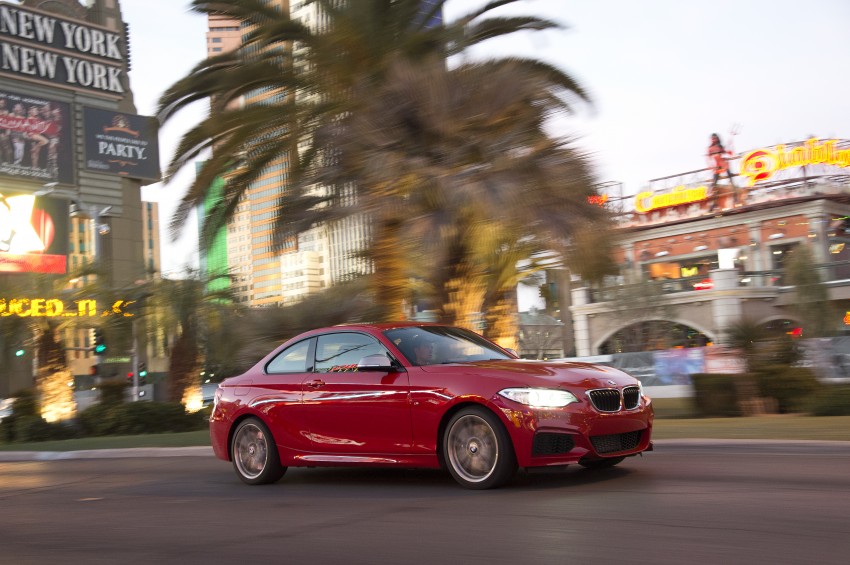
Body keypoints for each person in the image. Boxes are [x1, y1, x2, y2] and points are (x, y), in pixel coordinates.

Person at [706, 133, 740, 209]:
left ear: (717, 139)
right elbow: (708, 158)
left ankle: (735, 198)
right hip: (716, 167)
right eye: (713, 139)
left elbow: (727, 153)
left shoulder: (719, 147)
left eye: (715, 138)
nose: (714, 140)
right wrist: (711, 166)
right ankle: (714, 203)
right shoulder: (710, 148)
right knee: (714, 185)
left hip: (723, 164)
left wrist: (729, 147)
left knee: (731, 181)